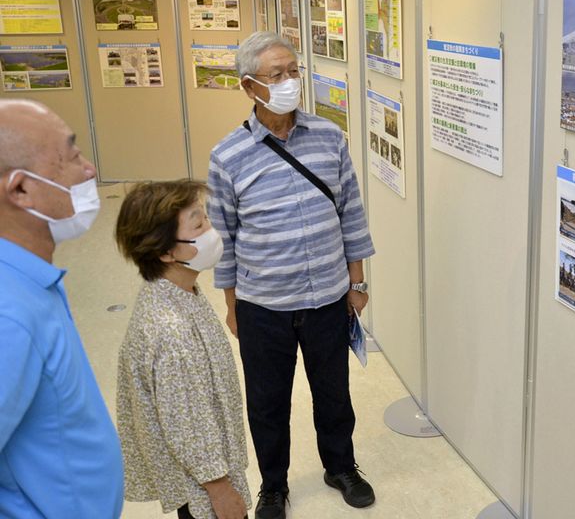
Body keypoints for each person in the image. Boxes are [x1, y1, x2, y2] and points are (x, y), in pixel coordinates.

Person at [207, 32, 376, 519]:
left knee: (334, 392)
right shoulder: (228, 156)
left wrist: (357, 283)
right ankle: (274, 485)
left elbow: (351, 213)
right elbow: (223, 239)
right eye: (276, 74)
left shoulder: (329, 136)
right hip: (263, 304)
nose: (289, 81)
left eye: (294, 71)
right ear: (249, 86)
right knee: (267, 402)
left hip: (328, 295)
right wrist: (233, 306)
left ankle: (340, 467)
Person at [0, 99, 124, 518]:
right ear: (21, 189)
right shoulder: (9, 315)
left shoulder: (30, 279)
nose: (89, 170)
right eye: (71, 157)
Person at [115, 180, 252, 519]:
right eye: (198, 225)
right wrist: (220, 489)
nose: (211, 231)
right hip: (205, 488)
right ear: (165, 252)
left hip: (210, 468)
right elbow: (185, 424)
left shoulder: (180, 290)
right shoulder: (170, 330)